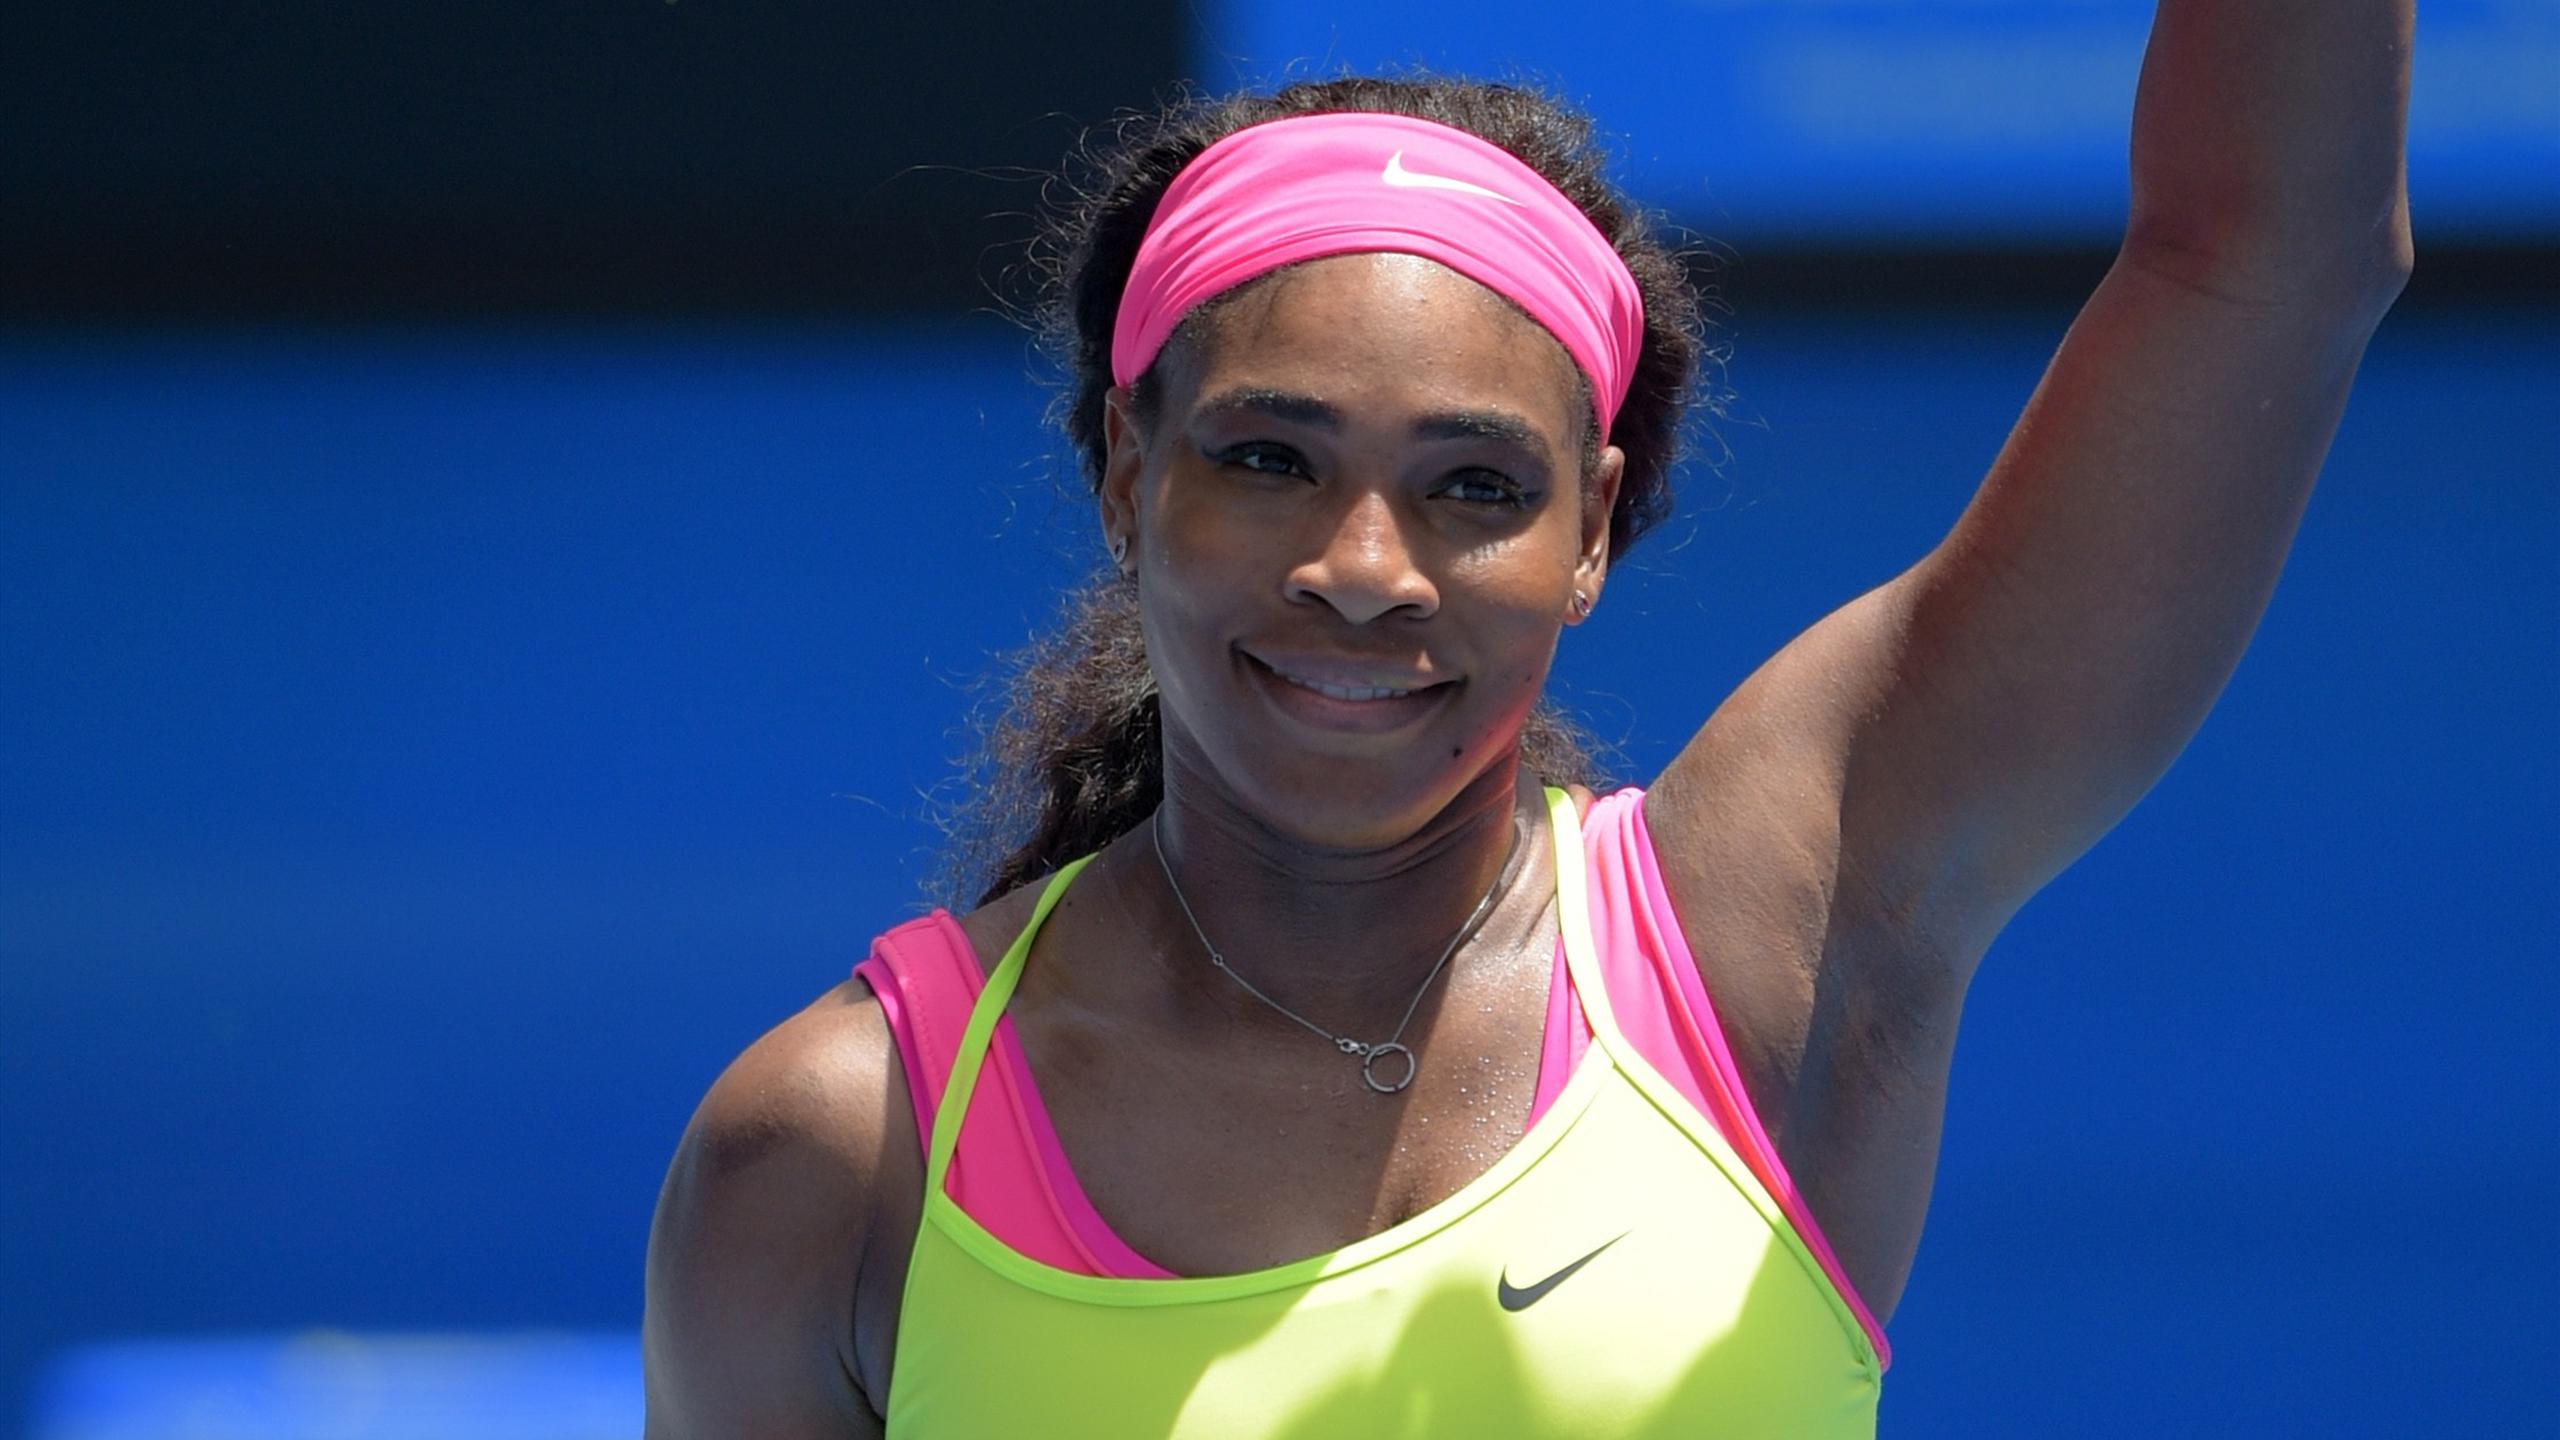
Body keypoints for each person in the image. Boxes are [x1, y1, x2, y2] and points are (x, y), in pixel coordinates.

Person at [641, 3, 2413, 1434]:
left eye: (1475, 485)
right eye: (1269, 457)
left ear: (1593, 533)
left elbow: (2269, 257)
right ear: (1126, 474)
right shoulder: (827, 1155)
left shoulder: (1764, 945)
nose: (1363, 567)